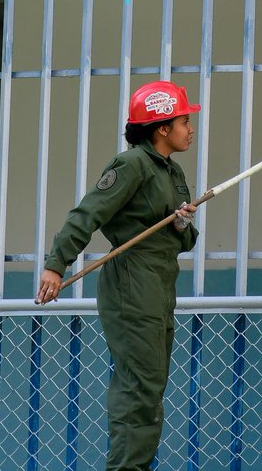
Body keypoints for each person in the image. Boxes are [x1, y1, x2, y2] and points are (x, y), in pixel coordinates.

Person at [35, 80, 201, 471]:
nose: (190, 129)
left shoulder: (171, 171)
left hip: (161, 283)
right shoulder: (132, 165)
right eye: (184, 121)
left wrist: (179, 226)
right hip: (132, 281)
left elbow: (186, 240)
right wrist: (56, 265)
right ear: (162, 128)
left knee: (151, 387)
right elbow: (87, 213)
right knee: (138, 387)